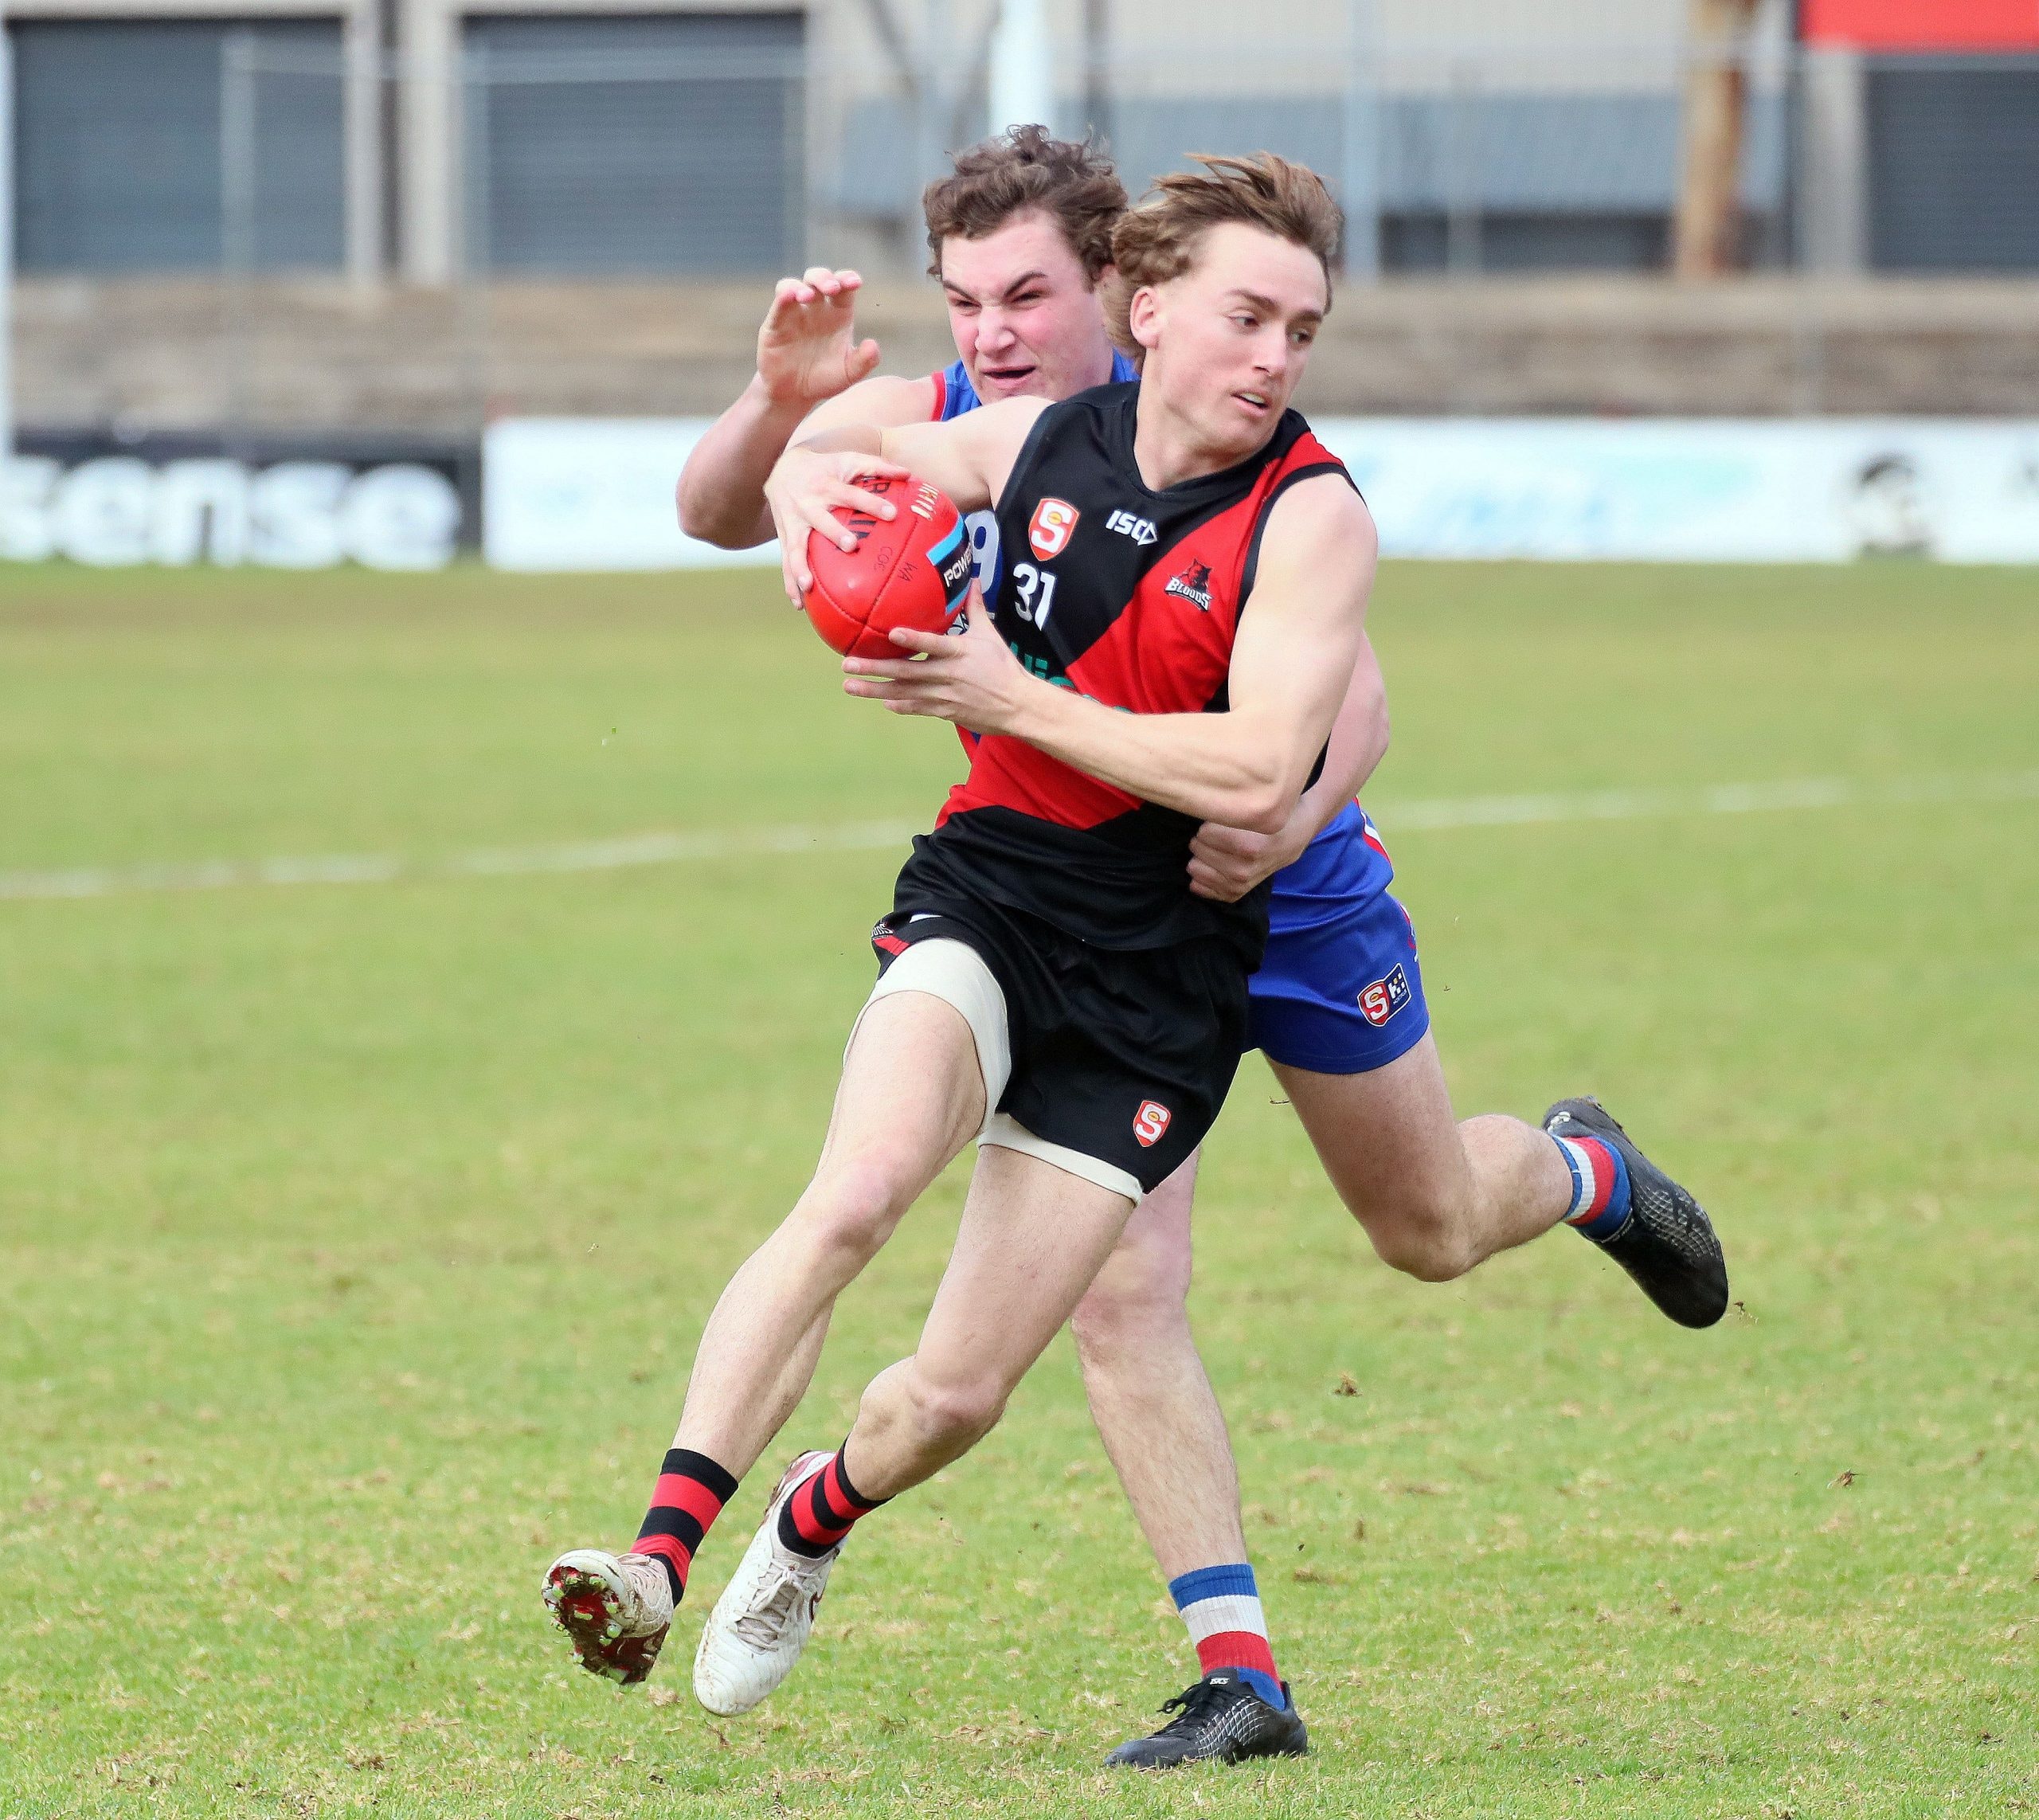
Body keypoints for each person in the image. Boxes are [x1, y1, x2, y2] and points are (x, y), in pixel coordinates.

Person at [548, 135, 1728, 1771]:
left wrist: (1275, 813)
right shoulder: (999, 417)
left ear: (1123, 292)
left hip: (1280, 887)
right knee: (1097, 1293)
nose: (991, 329)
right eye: (963, 302)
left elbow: (1348, 710)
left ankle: (1583, 1173)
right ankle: (1230, 1669)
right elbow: (730, 508)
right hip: (1060, 897)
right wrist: (791, 424)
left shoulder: (1267, 476)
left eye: (1025, 293)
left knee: (1431, 1229)